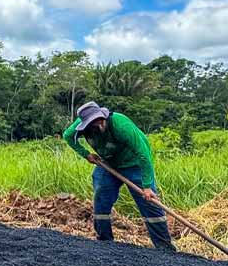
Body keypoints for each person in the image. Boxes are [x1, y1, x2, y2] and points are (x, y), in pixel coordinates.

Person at [63, 101, 175, 250]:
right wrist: (86, 154)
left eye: (100, 121)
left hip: (133, 164)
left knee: (150, 204)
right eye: (93, 124)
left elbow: (143, 154)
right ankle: (105, 243)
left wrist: (147, 186)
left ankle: (165, 248)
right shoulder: (80, 126)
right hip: (108, 164)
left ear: (103, 116)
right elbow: (67, 136)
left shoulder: (120, 124)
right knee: (101, 197)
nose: (98, 125)